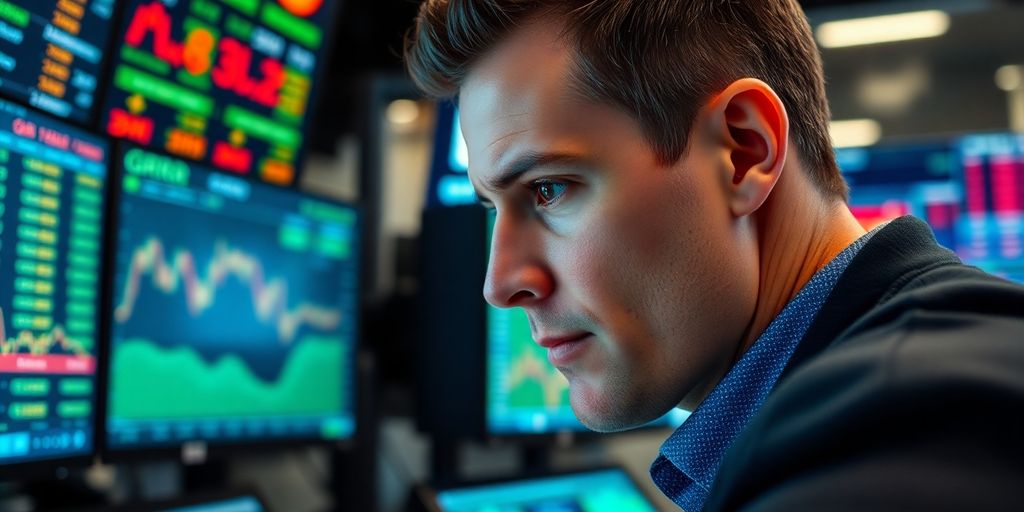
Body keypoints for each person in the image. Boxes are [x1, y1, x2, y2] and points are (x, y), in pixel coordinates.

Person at [404, 1, 1024, 510]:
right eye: (491, 208)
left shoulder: (891, 438)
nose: (500, 282)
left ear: (744, 152)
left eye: (548, 189)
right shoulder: (903, 370)